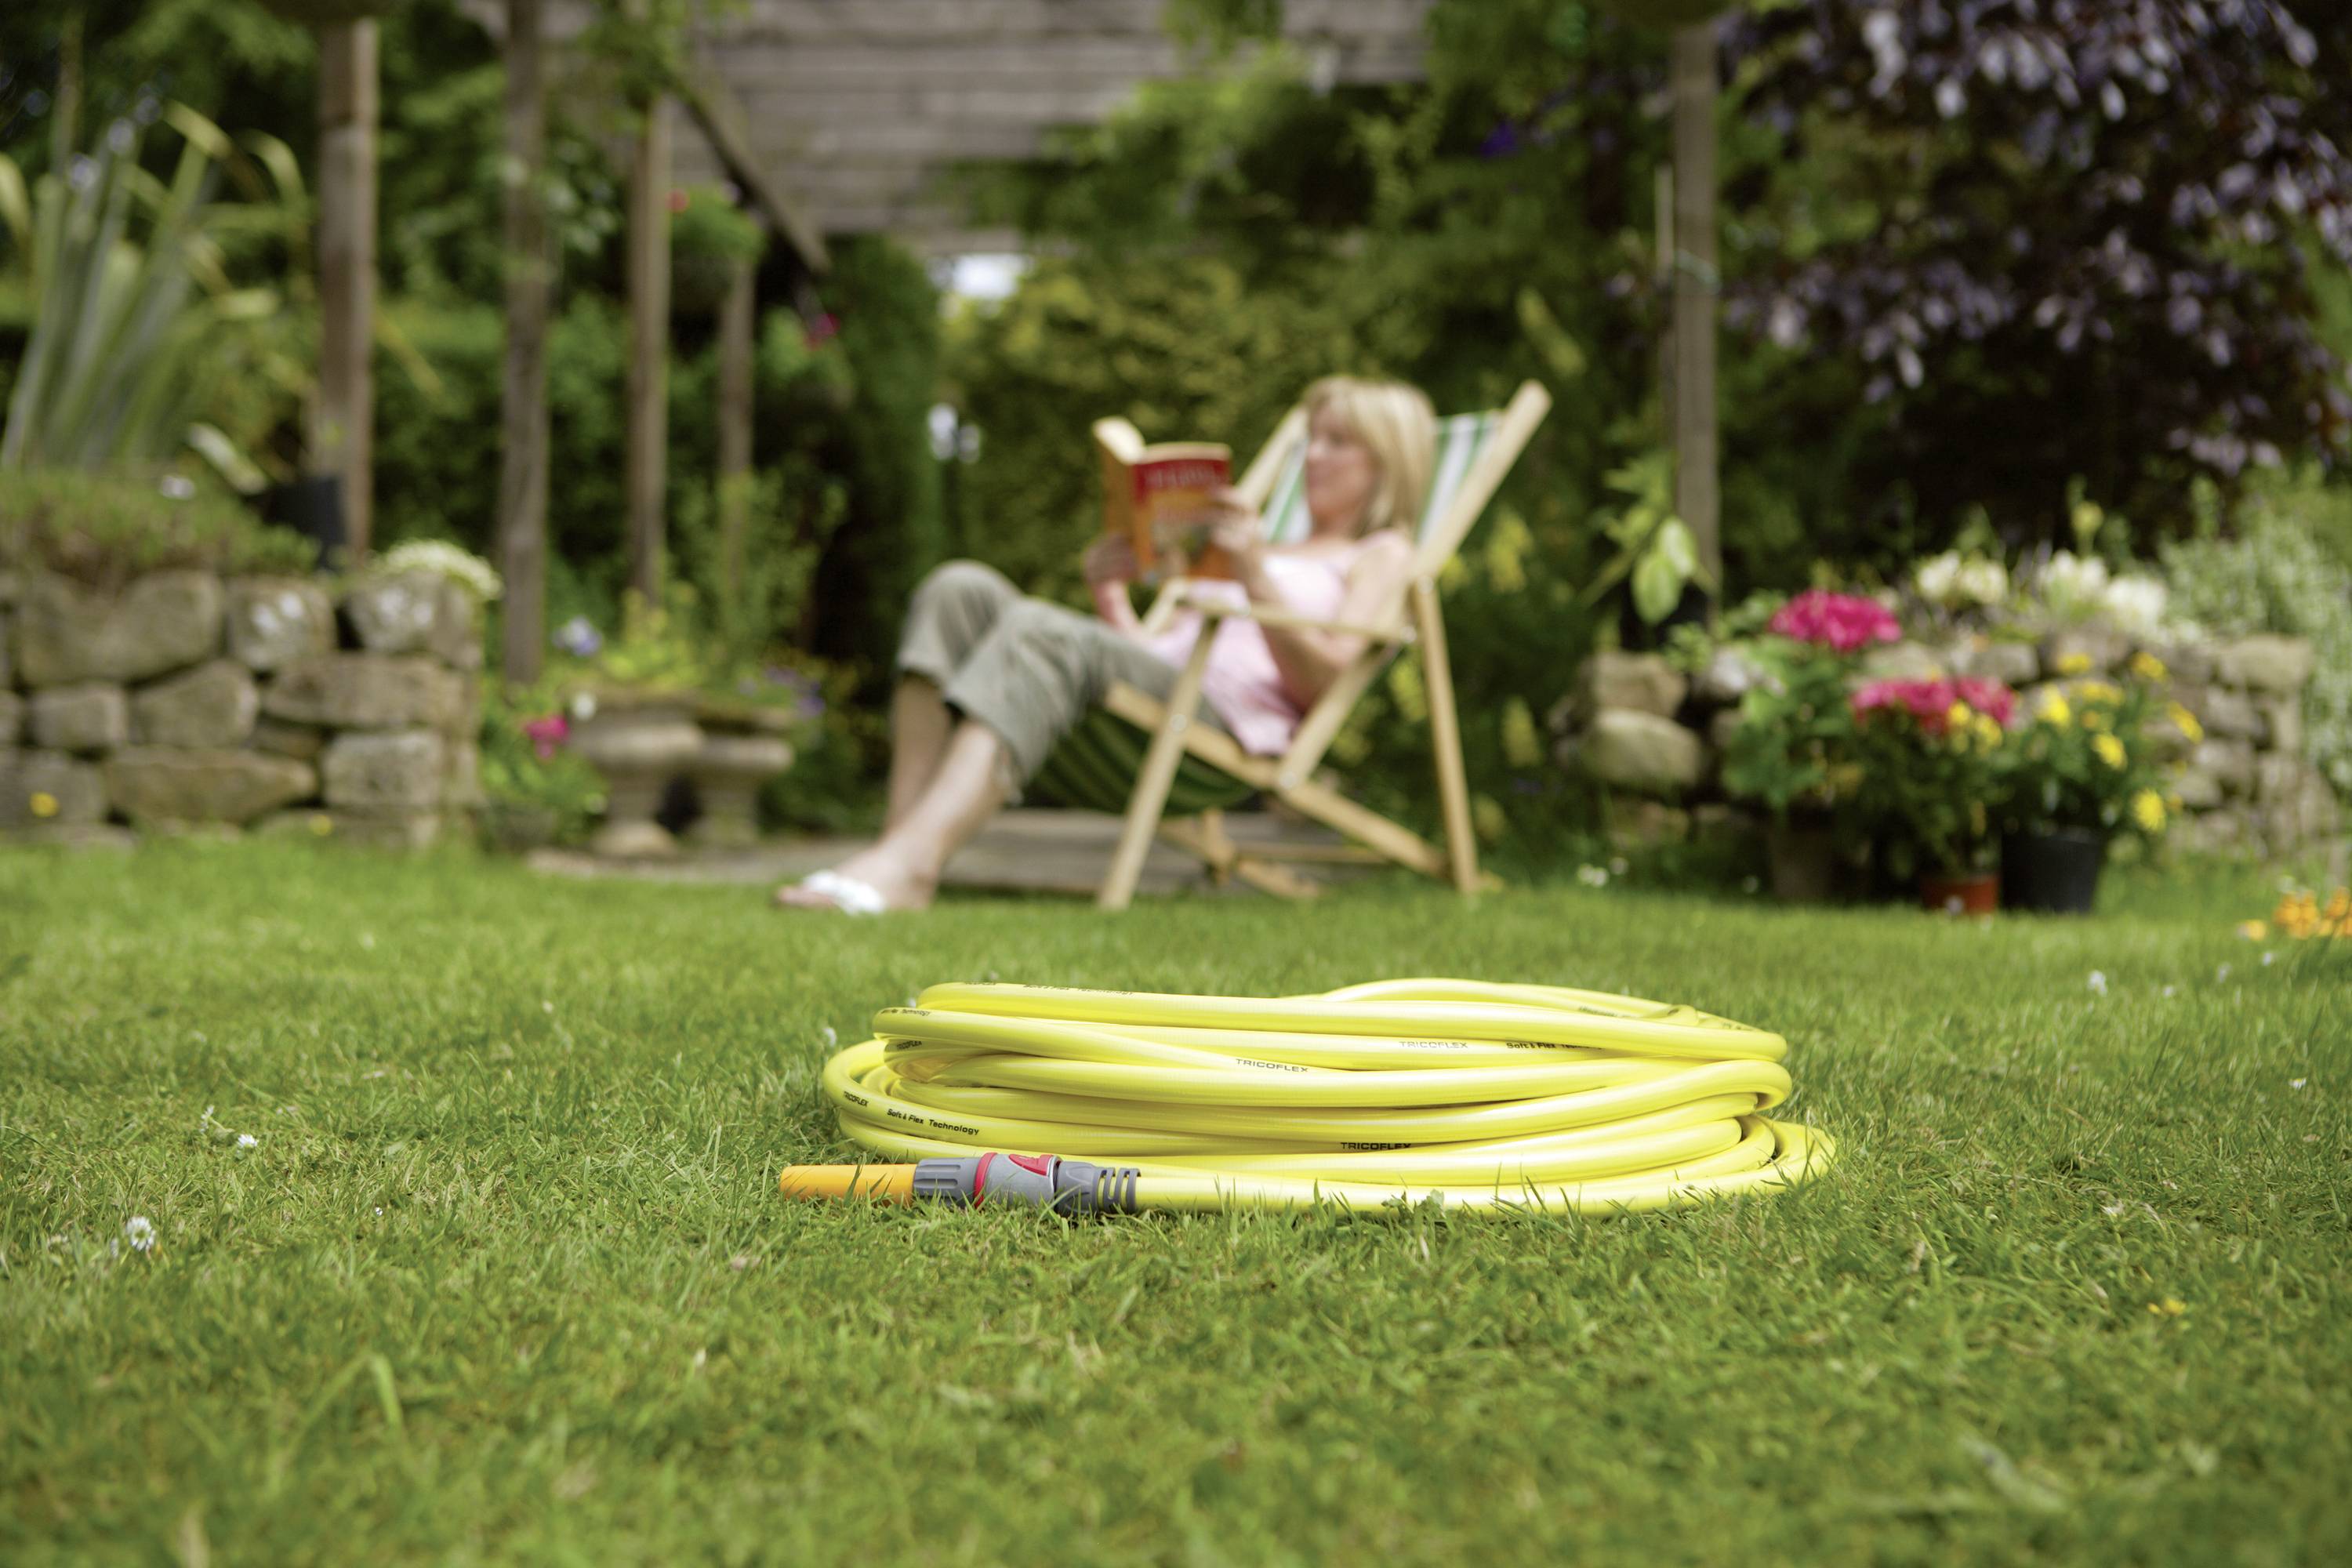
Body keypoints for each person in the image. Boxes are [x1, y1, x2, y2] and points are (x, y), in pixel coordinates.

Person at [778, 376, 1436, 913]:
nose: (1313, 455)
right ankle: (900, 851)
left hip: (1211, 732)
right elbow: (1155, 651)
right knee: (958, 589)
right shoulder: (1262, 545)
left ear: (1389, 463)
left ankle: (904, 867)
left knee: (1038, 627)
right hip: (1152, 697)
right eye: (1312, 439)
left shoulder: (1381, 554)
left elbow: (1328, 681)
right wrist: (1110, 596)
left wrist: (1255, 572)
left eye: (1338, 442)